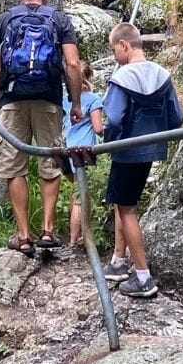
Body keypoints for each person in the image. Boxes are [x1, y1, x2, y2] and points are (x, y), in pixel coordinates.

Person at [0, 0, 83, 256]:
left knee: (14, 166)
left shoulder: (4, 20)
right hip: (49, 98)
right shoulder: (59, 19)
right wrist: (75, 103)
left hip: (13, 99)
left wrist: (2, 98)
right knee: (50, 161)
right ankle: (49, 231)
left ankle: (24, 236)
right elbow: (73, 64)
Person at [100, 22, 183, 298]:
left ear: (123, 45)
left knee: (127, 210)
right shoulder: (162, 75)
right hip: (150, 149)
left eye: (114, 50)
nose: (115, 56)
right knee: (124, 202)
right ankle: (118, 261)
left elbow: (112, 118)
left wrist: (107, 141)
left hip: (126, 150)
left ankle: (143, 277)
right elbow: (177, 118)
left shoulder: (122, 77)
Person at [62, 56, 105, 249]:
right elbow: (98, 128)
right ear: (90, 77)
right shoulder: (93, 99)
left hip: (65, 151)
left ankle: (76, 237)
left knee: (75, 194)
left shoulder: (64, 100)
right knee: (81, 197)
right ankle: (77, 240)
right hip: (83, 152)